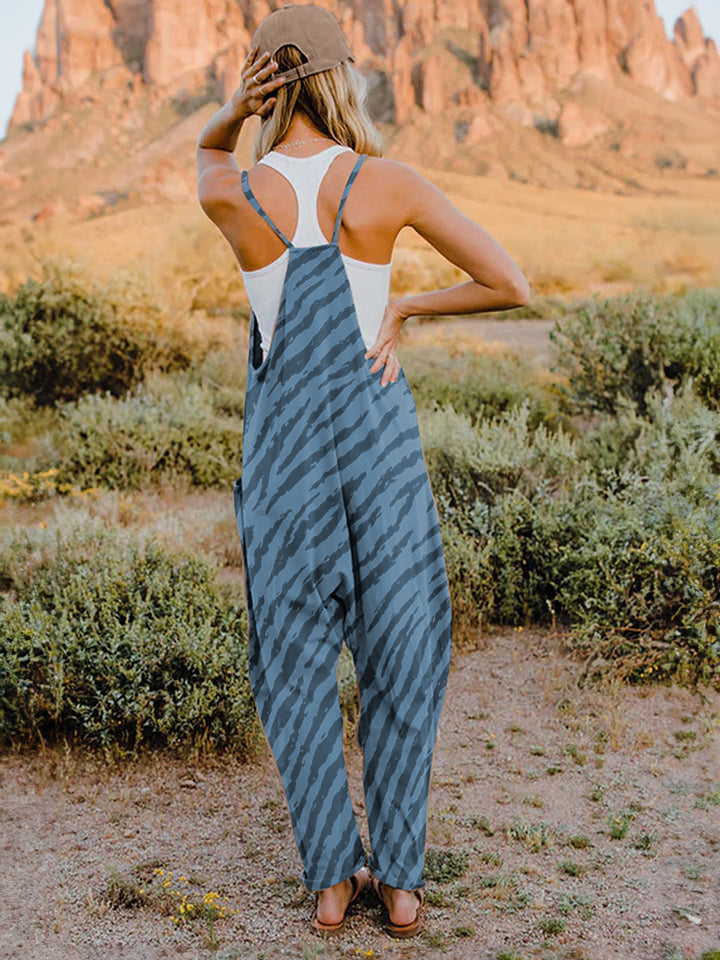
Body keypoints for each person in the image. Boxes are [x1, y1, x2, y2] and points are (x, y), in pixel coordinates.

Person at [196, 3, 530, 940]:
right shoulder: (386, 183)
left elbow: (205, 159)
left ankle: (332, 882)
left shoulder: (235, 191)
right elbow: (512, 282)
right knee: (403, 647)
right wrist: (409, 305)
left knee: (293, 659)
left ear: (266, 83)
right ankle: (406, 882)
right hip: (378, 443)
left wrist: (233, 110)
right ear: (342, 78)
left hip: (284, 452)